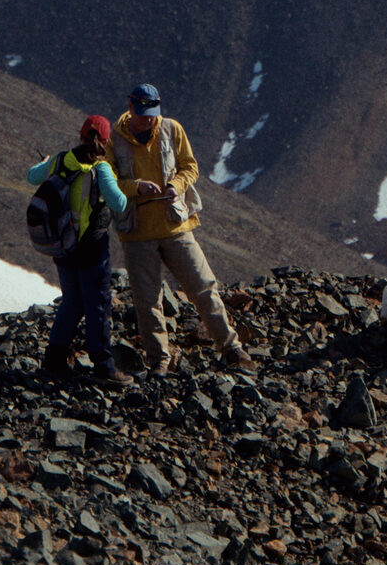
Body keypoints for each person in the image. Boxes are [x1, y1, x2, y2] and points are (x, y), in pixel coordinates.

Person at [109, 82, 251, 373]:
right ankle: (159, 361)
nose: (148, 119)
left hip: (176, 226)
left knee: (203, 286)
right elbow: (108, 182)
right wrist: (136, 187)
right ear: (130, 107)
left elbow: (190, 167)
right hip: (137, 234)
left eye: (152, 112)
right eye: (142, 112)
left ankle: (231, 348)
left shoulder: (172, 130)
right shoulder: (114, 139)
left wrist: (176, 185)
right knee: (148, 301)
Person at [27, 115, 131, 382]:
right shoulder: (102, 168)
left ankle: (54, 360)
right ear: (105, 142)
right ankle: (104, 367)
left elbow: (32, 176)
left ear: (81, 135)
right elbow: (118, 204)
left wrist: (45, 162)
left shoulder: (61, 161)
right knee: (98, 304)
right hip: (92, 249)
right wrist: (128, 185)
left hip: (63, 246)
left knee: (72, 301)